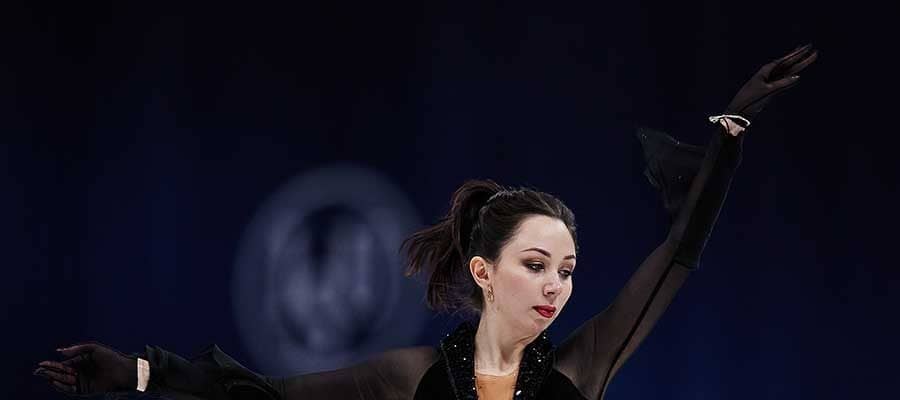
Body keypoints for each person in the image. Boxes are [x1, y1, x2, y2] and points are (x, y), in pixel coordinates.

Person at [34, 44, 818, 400]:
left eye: (568, 270)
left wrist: (730, 131)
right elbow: (267, 397)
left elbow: (679, 250)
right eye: (536, 265)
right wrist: (142, 374)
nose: (556, 286)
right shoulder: (411, 380)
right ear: (484, 272)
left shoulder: (582, 371)